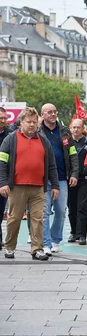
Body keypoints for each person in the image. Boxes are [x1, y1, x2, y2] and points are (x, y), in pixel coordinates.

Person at [0, 107, 59, 261]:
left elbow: (51, 164)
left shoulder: (43, 140)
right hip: (17, 186)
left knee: (38, 219)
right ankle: (10, 247)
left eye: (34, 122)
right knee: (14, 218)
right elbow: (2, 163)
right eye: (28, 122)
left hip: (38, 187)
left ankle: (37, 249)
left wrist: (55, 185)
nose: (32, 125)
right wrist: (3, 183)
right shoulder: (11, 139)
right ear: (21, 122)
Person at [39, 103, 79, 256]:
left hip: (62, 178)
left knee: (61, 211)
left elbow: (73, 153)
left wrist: (74, 173)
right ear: (43, 115)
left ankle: (56, 239)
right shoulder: (38, 132)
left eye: (55, 111)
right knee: (44, 212)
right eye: (49, 112)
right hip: (44, 179)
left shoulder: (64, 132)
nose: (53, 114)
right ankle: (46, 243)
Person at [67, 119, 87, 245]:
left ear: (83, 128)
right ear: (70, 128)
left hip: (84, 179)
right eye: (74, 127)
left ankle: (82, 234)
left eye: (78, 127)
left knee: (82, 207)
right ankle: (73, 232)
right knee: (71, 206)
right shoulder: (67, 142)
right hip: (70, 178)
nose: (76, 129)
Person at [0, 107, 9, 249]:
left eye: (4, 118)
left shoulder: (9, 135)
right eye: (0, 118)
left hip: (3, 178)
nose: (3, 121)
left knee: (1, 210)